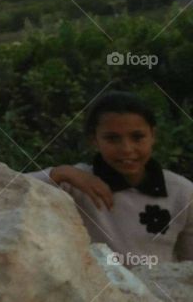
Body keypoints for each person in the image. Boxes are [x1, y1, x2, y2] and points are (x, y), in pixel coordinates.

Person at [27, 91, 193, 264]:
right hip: (96, 289)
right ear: (94, 140)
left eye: (137, 137)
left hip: (160, 289)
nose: (127, 149)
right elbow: (4, 189)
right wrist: (59, 173)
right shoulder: (74, 184)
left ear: (153, 135)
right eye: (112, 138)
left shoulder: (182, 192)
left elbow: (189, 264)